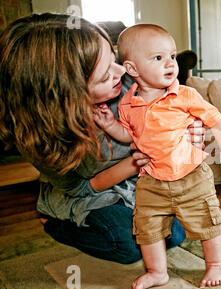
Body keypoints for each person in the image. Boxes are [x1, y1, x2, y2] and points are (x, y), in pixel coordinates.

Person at [0, 13, 206, 265]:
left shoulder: (131, 82)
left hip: (138, 184)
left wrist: (190, 131)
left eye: (114, 58)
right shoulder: (41, 134)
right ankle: (55, 223)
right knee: (128, 244)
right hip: (90, 195)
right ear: (66, 96)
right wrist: (135, 162)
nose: (121, 71)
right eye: (104, 75)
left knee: (174, 233)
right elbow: (79, 188)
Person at [93, 24, 221, 289]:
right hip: (151, 180)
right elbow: (128, 135)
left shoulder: (184, 95)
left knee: (207, 221)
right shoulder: (128, 103)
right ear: (133, 69)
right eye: (158, 58)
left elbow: (214, 119)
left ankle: (215, 264)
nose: (170, 64)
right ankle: (157, 272)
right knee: (146, 226)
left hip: (191, 175)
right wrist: (110, 126)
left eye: (172, 56)